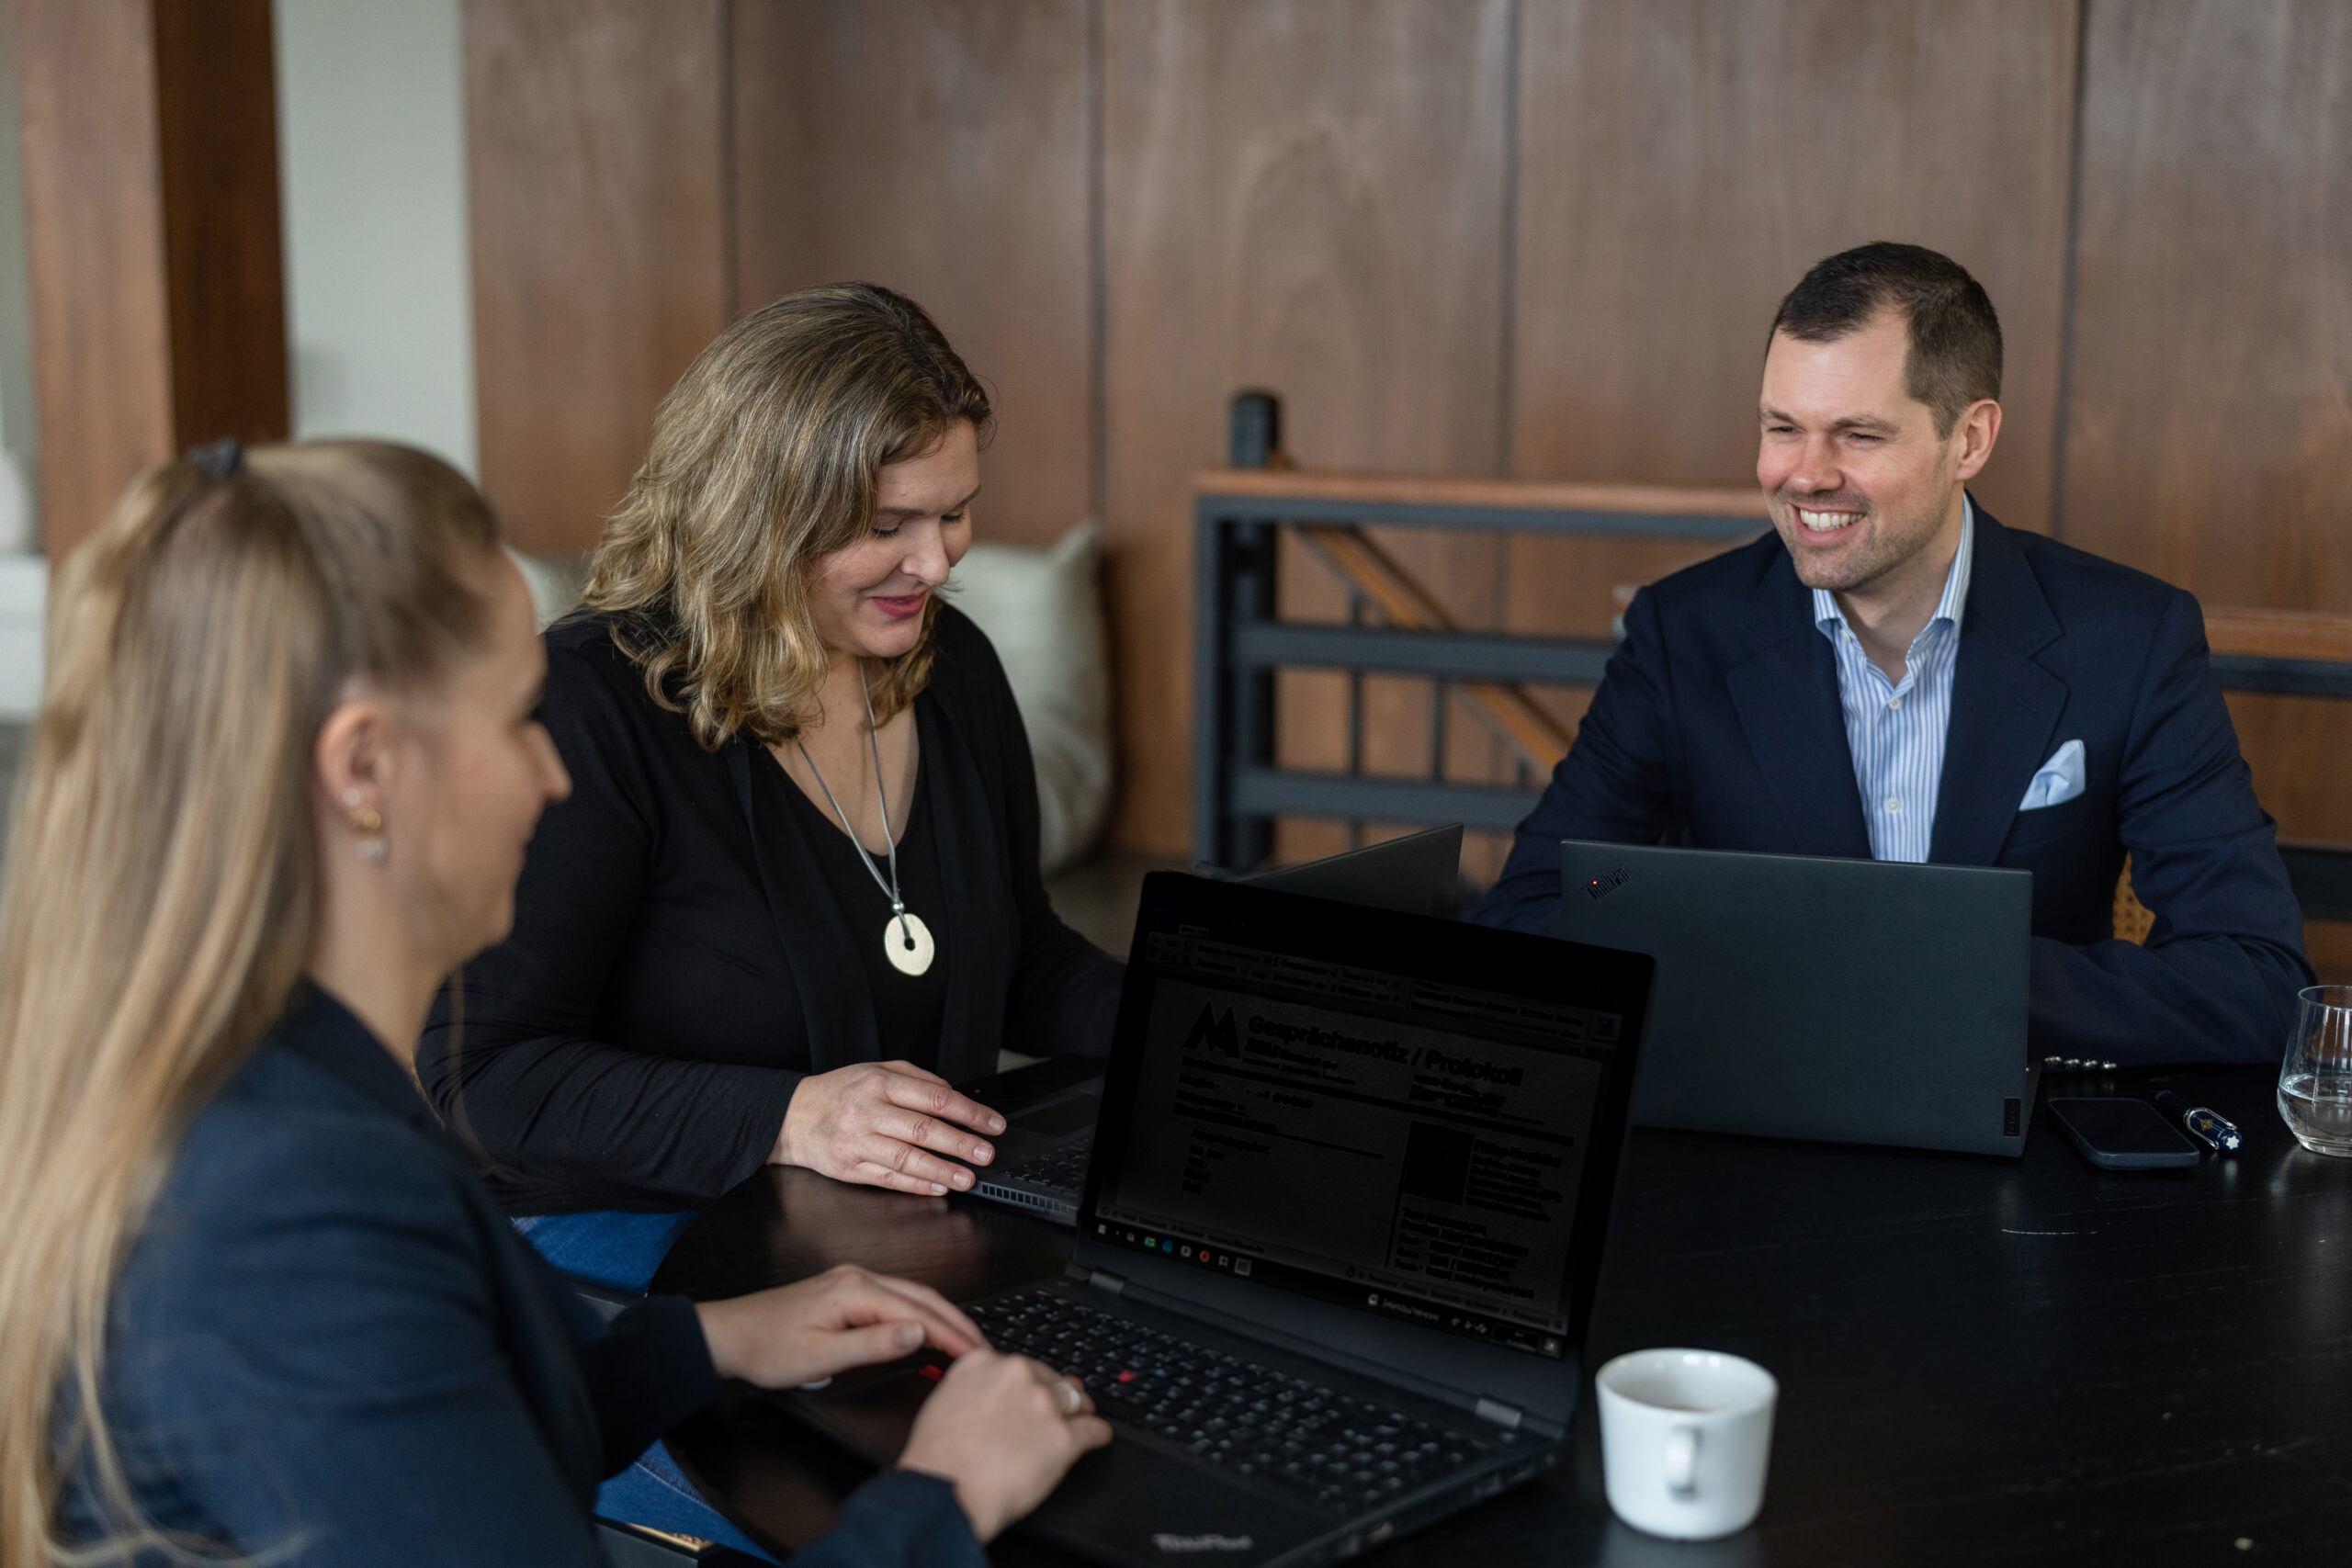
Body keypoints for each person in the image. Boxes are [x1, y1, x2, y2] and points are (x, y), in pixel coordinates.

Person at [0, 443, 1108, 1568]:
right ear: (362, 770)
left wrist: (708, 1343)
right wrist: (943, 1497)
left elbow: (444, 1420)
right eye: (514, 718)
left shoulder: (284, 1073)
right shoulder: (296, 1210)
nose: (553, 773)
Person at [415, 283, 1121, 1294]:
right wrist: (791, 1117)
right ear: (755, 517)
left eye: (955, 512)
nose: (934, 563)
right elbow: (483, 1077)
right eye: (886, 523)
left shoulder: (950, 663)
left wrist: (1193, 1028)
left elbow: (1021, 957)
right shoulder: (587, 705)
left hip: (869, 1213)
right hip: (614, 1231)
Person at [1472, 242, 2312, 1066]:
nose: (1806, 476)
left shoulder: (2131, 639)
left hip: (2018, 1126)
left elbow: (2257, 980)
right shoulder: (1680, 633)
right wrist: (1740, 968)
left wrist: (1927, 978)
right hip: (1757, 1118)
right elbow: (1532, 909)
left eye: (1858, 435)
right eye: (1783, 428)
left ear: (1970, 440)